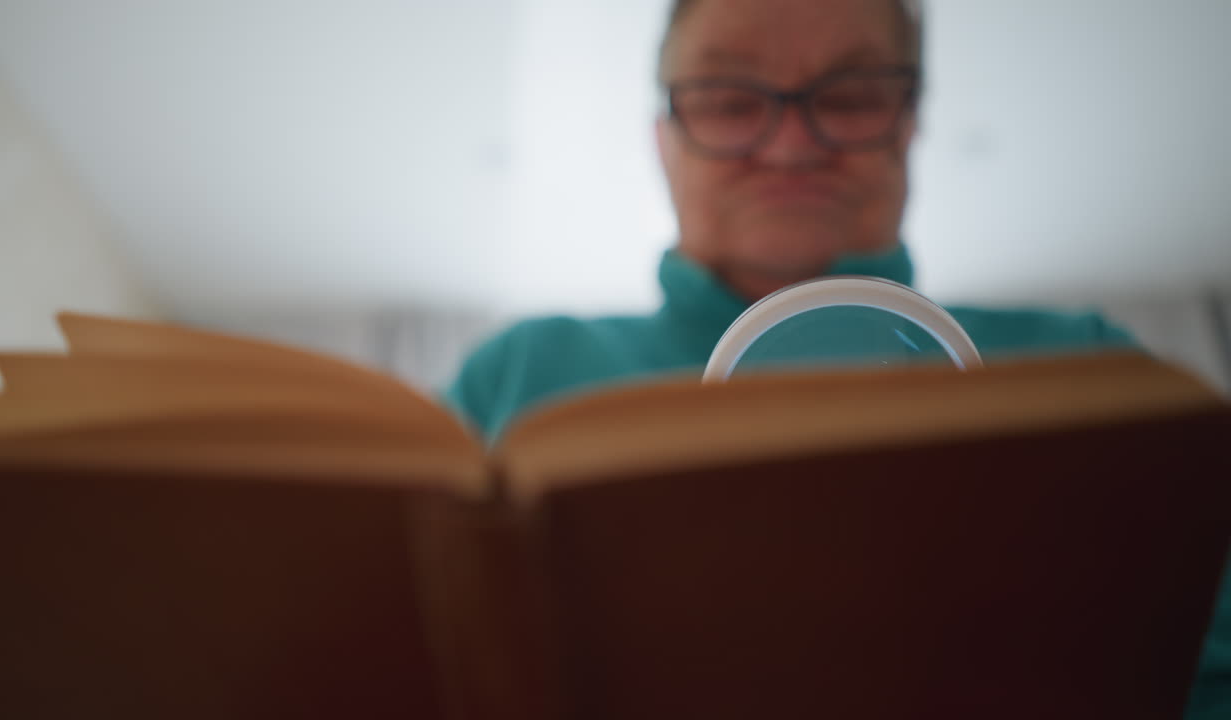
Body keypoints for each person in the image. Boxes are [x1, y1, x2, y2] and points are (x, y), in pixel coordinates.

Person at [445, 2, 1227, 715]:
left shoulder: (1088, 376)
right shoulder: (518, 374)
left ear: (910, 123)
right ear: (663, 138)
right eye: (729, 96)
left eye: (851, 94)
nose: (791, 144)